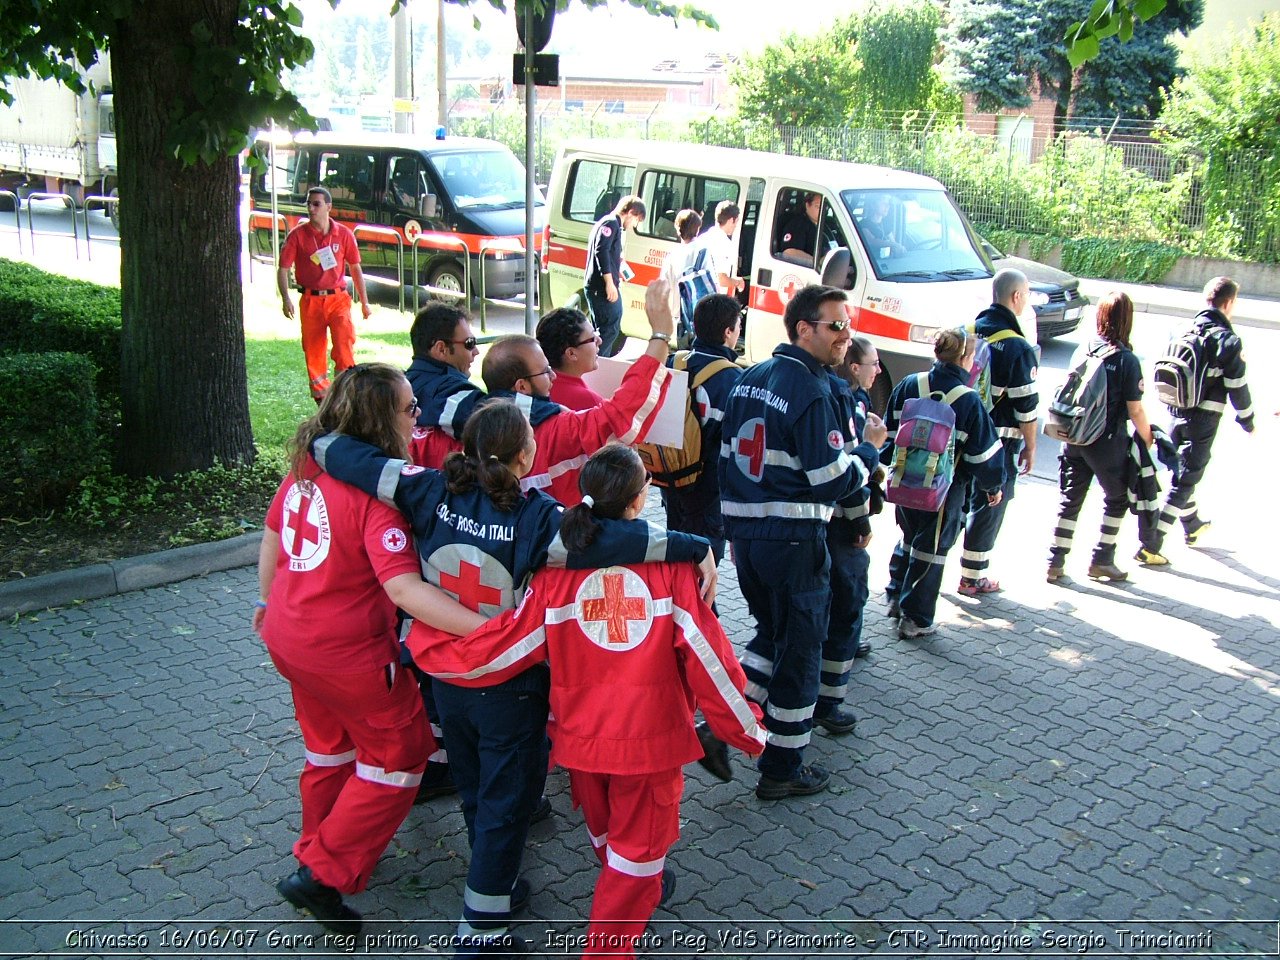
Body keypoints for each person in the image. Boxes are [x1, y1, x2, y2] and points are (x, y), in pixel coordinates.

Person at [313, 401, 716, 957]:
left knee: (476, 785)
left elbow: (348, 457)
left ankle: (492, 885)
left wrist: (318, 442)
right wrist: (695, 546)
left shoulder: (425, 488)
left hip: (444, 676)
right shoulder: (539, 518)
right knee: (510, 802)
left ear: (470, 449)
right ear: (527, 456)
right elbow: (610, 539)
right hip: (508, 679)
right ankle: (481, 932)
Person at [431, 444, 766, 957]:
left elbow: (509, 645)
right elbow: (711, 664)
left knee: (610, 839)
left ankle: (628, 893)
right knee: (639, 854)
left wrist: (439, 656)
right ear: (639, 500)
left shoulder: (554, 575)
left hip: (581, 744)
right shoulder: (674, 571)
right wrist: (750, 730)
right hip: (648, 749)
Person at [255, 363, 486, 934]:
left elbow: (272, 542)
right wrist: (485, 629)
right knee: (400, 755)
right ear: (382, 418)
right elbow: (404, 588)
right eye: (411, 408)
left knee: (329, 749)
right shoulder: (375, 497)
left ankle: (315, 844)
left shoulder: (304, 470)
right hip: (349, 653)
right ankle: (322, 874)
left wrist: (271, 609)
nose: (419, 417)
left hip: (288, 636)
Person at [718, 284, 887, 800]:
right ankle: (783, 768)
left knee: (771, 636)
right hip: (793, 541)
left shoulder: (748, 380)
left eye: (848, 325)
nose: (845, 336)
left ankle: (719, 724)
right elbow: (834, 480)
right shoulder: (812, 392)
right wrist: (869, 451)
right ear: (803, 329)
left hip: (747, 541)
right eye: (836, 326)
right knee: (800, 653)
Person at [479, 278, 677, 507]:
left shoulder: (473, 426)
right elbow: (617, 418)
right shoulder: (553, 428)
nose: (552, 376)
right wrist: (661, 336)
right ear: (521, 386)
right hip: (557, 534)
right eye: (545, 371)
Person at [884, 329, 1006, 638]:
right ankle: (916, 619)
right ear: (966, 358)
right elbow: (984, 455)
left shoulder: (909, 384)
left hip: (903, 482)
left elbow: (888, 433)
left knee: (909, 537)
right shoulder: (968, 400)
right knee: (932, 550)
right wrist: (993, 487)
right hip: (944, 491)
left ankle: (895, 595)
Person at [1138, 276, 1255, 566]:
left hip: (1174, 410)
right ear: (1228, 303)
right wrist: (1247, 419)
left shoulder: (1182, 328)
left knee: (1180, 470)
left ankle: (1193, 525)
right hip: (1204, 417)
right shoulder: (1227, 339)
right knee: (1187, 478)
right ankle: (1151, 545)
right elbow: (1237, 384)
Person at [1047, 292, 1154, 583]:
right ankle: (1102, 559)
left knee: (1070, 499)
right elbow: (1135, 410)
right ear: (1126, 320)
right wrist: (1148, 439)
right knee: (1118, 498)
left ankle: (1054, 562)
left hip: (1074, 436)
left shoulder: (1084, 349)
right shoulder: (1126, 360)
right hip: (1107, 441)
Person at [815, 336, 883, 734]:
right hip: (841, 526)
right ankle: (830, 702)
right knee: (847, 606)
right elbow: (850, 477)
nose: (878, 370)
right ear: (853, 368)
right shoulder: (849, 405)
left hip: (820, 525)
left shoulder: (842, 398)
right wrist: (861, 522)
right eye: (873, 363)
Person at [958, 268, 1039, 596]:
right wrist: (1031, 447)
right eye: (1027, 295)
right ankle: (973, 576)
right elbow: (1027, 409)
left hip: (959, 433)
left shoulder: (965, 332)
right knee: (991, 502)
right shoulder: (1018, 347)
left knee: (957, 500)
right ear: (1016, 297)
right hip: (998, 440)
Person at [659, 293, 743, 566]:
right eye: (738, 327)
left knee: (677, 553)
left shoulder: (673, 362)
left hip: (670, 480)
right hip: (707, 494)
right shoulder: (733, 380)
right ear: (728, 332)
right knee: (703, 568)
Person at [278, 187, 372, 402]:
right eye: (309, 204)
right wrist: (285, 298)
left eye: (316, 204)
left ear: (329, 207)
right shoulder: (298, 236)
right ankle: (322, 402)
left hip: (338, 299)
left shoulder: (344, 234)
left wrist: (365, 302)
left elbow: (355, 268)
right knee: (314, 352)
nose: (311, 208)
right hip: (311, 300)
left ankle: (344, 395)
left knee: (343, 345)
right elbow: (283, 269)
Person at [405, 300, 485, 468]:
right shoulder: (451, 391)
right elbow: (502, 419)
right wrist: (550, 409)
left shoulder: (393, 387)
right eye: (469, 343)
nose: (476, 352)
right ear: (441, 349)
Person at [584, 194, 645, 357]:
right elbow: (601, 251)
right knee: (609, 329)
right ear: (631, 212)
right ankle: (598, 364)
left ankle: (596, 363)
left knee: (603, 330)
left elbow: (608, 253)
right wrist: (609, 283)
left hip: (600, 286)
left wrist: (619, 268)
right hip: (601, 287)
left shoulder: (610, 223)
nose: (633, 225)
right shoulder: (610, 223)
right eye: (636, 220)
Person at [537, 307, 604, 411]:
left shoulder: (535, 388)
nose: (599, 340)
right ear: (571, 353)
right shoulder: (590, 402)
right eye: (592, 338)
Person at [659, 208, 701, 343]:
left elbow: (663, 288)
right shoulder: (703, 251)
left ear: (678, 229)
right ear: (698, 229)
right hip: (699, 317)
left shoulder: (672, 255)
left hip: (678, 317)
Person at [691, 200, 745, 298]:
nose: (736, 226)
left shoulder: (703, 237)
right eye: (736, 222)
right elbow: (721, 279)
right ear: (730, 220)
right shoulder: (725, 244)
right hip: (711, 299)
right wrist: (738, 282)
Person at [777, 192, 822, 266]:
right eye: (818, 207)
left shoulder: (826, 225)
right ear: (807, 205)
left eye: (824, 207)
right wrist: (818, 263)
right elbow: (789, 252)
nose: (822, 210)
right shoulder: (798, 224)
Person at [857, 194, 905, 261]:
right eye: (883, 203)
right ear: (873, 205)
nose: (887, 206)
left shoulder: (886, 224)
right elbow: (872, 241)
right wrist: (893, 245)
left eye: (888, 204)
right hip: (868, 261)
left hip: (883, 262)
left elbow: (893, 242)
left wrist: (898, 248)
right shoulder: (863, 224)